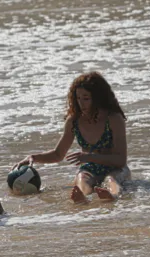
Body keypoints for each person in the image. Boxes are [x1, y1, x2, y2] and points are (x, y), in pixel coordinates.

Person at [12, 71, 131, 203]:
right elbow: (58, 154)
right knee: (82, 177)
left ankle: (112, 196)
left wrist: (88, 157)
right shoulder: (74, 121)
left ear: (98, 98)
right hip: (90, 168)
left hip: (116, 168)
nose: (81, 103)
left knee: (111, 179)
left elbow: (120, 160)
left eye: (86, 98)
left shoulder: (113, 119)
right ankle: (83, 197)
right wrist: (33, 157)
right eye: (78, 98)